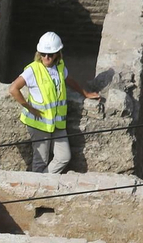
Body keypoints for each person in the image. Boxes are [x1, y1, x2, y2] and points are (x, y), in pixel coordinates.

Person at [7, 31, 100, 173]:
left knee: (64, 157)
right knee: (41, 161)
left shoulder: (60, 66)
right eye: (43, 54)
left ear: (57, 53)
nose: (46, 57)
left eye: (50, 54)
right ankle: (38, 190)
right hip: (39, 123)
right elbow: (13, 89)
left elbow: (70, 80)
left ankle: (42, 182)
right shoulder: (33, 70)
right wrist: (29, 107)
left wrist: (85, 93)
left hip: (56, 123)